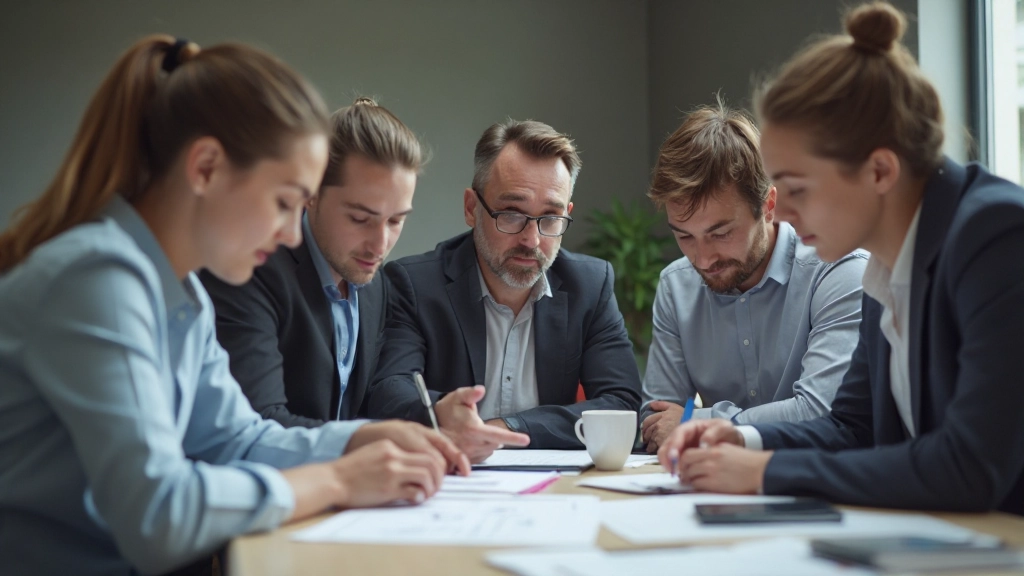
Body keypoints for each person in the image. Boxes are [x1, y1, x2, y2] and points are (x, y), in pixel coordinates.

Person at [0, 36, 469, 576]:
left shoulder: (184, 293)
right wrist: (338, 479)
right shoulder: (97, 279)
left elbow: (234, 438)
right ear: (205, 168)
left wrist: (360, 438)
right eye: (283, 201)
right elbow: (158, 514)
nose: (294, 232)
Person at [659, 2, 1024, 516]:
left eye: (797, 189)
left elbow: (969, 466)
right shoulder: (887, 264)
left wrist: (765, 472)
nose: (780, 211)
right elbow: (853, 427)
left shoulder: (997, 237)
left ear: (879, 171)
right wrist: (743, 440)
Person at [367, 119, 643, 457]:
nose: (532, 239)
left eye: (551, 217)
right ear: (472, 208)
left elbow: (622, 405)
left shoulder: (590, 285)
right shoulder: (415, 284)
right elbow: (388, 392)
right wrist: (441, 413)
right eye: (512, 214)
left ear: (566, 214)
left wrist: (509, 429)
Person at [639, 102, 867, 452]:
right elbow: (657, 421)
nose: (702, 258)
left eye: (720, 233)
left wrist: (697, 423)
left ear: (769, 206)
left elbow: (823, 412)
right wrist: (680, 423)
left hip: (821, 486)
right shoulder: (677, 285)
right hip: (716, 489)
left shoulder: (837, 270)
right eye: (684, 235)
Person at [201, 98, 420, 427]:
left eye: (396, 221)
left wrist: (434, 416)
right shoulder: (250, 271)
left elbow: (368, 398)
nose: (380, 244)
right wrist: (366, 443)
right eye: (360, 218)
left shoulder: (376, 283)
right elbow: (257, 422)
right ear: (311, 192)